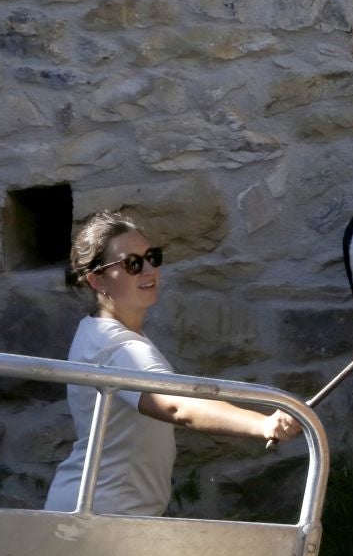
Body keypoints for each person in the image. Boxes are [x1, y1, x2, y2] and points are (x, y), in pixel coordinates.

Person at [44, 210, 297, 516]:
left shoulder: (97, 332)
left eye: (152, 257)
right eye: (132, 263)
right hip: (101, 514)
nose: (149, 270)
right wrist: (263, 424)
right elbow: (177, 404)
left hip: (98, 510)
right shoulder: (117, 347)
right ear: (97, 280)